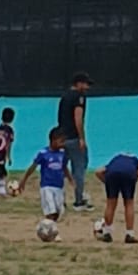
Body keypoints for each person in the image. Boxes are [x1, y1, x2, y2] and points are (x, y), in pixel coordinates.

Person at [17, 126, 73, 222]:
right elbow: (33, 167)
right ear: (53, 140)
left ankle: (49, 226)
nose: (63, 144)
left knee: (59, 212)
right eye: (61, 141)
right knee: (51, 212)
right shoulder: (43, 153)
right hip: (47, 187)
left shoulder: (62, 153)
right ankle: (47, 228)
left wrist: (70, 179)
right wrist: (24, 179)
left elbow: (64, 167)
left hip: (59, 187)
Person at [57, 72, 93, 210]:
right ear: (78, 83)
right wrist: (81, 138)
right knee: (79, 169)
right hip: (73, 137)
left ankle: (59, 199)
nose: (87, 88)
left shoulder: (64, 96)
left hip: (61, 138)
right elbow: (78, 118)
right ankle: (79, 201)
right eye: (86, 84)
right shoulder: (79, 97)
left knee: (60, 168)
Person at [97, 152, 138, 243]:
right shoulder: (135, 160)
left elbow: (98, 171)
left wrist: (107, 182)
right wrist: (135, 176)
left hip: (112, 175)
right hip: (129, 174)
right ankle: (130, 234)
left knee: (110, 204)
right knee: (129, 203)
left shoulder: (114, 160)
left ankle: (107, 232)